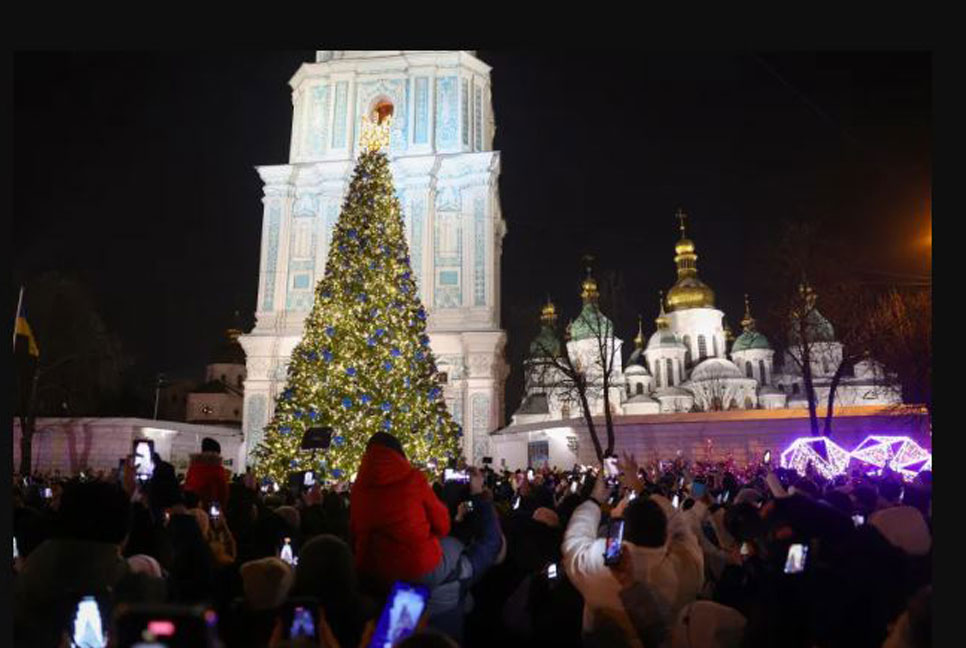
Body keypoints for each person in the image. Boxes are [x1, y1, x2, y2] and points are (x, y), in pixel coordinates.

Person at [561, 468, 705, 648]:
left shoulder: (600, 561)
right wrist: (642, 489)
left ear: (621, 531)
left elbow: (574, 540)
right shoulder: (687, 567)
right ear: (666, 532)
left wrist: (595, 499)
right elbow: (680, 525)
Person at [350, 432, 451, 591]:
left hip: (372, 568)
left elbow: (355, 528)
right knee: (455, 551)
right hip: (413, 566)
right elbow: (443, 525)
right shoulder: (414, 478)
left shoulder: (358, 488)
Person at [184, 437, 230, 508]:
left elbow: (187, 486)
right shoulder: (217, 469)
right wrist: (222, 508)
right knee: (214, 518)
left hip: (192, 506)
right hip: (212, 506)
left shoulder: (193, 468)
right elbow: (222, 492)